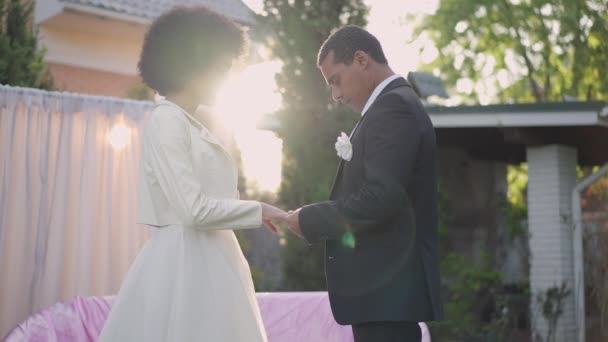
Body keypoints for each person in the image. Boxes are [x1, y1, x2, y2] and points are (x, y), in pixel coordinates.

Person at [99, 6, 285, 342]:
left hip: (213, 258)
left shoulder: (191, 123)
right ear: (192, 65)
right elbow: (193, 209)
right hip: (185, 265)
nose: (227, 77)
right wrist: (261, 210)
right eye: (223, 67)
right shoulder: (167, 121)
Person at [284, 26, 443, 342]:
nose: (336, 95)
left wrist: (309, 219)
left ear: (360, 59)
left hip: (388, 294)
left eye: (335, 81)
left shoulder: (393, 108)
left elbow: (380, 198)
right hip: (384, 297)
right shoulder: (389, 106)